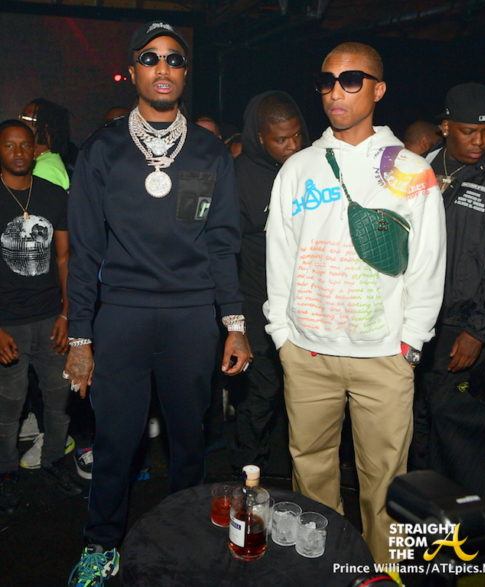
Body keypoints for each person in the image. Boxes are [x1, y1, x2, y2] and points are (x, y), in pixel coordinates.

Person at [65, 21, 251, 586]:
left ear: (185, 73)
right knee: (116, 441)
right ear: (133, 71)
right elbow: (84, 249)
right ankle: (101, 545)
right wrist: (80, 336)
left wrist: (234, 323)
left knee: (189, 441)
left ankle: (187, 538)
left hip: (191, 318)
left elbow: (221, 243)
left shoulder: (208, 151)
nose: (163, 68)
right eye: (150, 58)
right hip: (122, 316)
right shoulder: (103, 149)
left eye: (174, 59)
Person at [264, 42, 446, 564]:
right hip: (308, 353)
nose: (336, 92)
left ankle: (382, 573)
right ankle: (324, 569)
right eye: (327, 81)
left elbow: (428, 260)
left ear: (378, 89)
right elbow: (280, 254)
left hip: (384, 355)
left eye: (351, 80)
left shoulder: (409, 168)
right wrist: (282, 334)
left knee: (386, 485)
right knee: (311, 474)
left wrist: (411, 341)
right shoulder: (298, 167)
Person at [411, 82, 485, 469]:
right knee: (411, 419)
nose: (479, 141)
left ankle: (447, 499)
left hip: (462, 325)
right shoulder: (420, 168)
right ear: (445, 127)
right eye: (468, 131)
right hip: (414, 320)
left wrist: (478, 331)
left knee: (450, 424)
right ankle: (413, 494)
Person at [0, 119, 82, 515]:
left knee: (58, 400)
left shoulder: (52, 194)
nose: (18, 152)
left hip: (51, 318)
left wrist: (67, 313)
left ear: (36, 150)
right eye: (9, 145)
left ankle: (53, 462)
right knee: (8, 407)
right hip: (8, 323)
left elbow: (65, 258)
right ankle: (5, 475)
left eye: (24, 145)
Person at [231, 91, 309, 474]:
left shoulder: (310, 168)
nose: (292, 145)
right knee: (261, 396)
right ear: (260, 137)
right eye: (281, 139)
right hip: (256, 302)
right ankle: (250, 475)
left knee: (306, 397)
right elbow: (224, 251)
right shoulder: (238, 177)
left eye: (297, 135)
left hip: (305, 304)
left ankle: (296, 475)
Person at [19, 98, 72, 190]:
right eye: (21, 117)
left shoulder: (46, 168)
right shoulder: (41, 162)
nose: (20, 123)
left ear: (46, 126)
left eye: (26, 118)